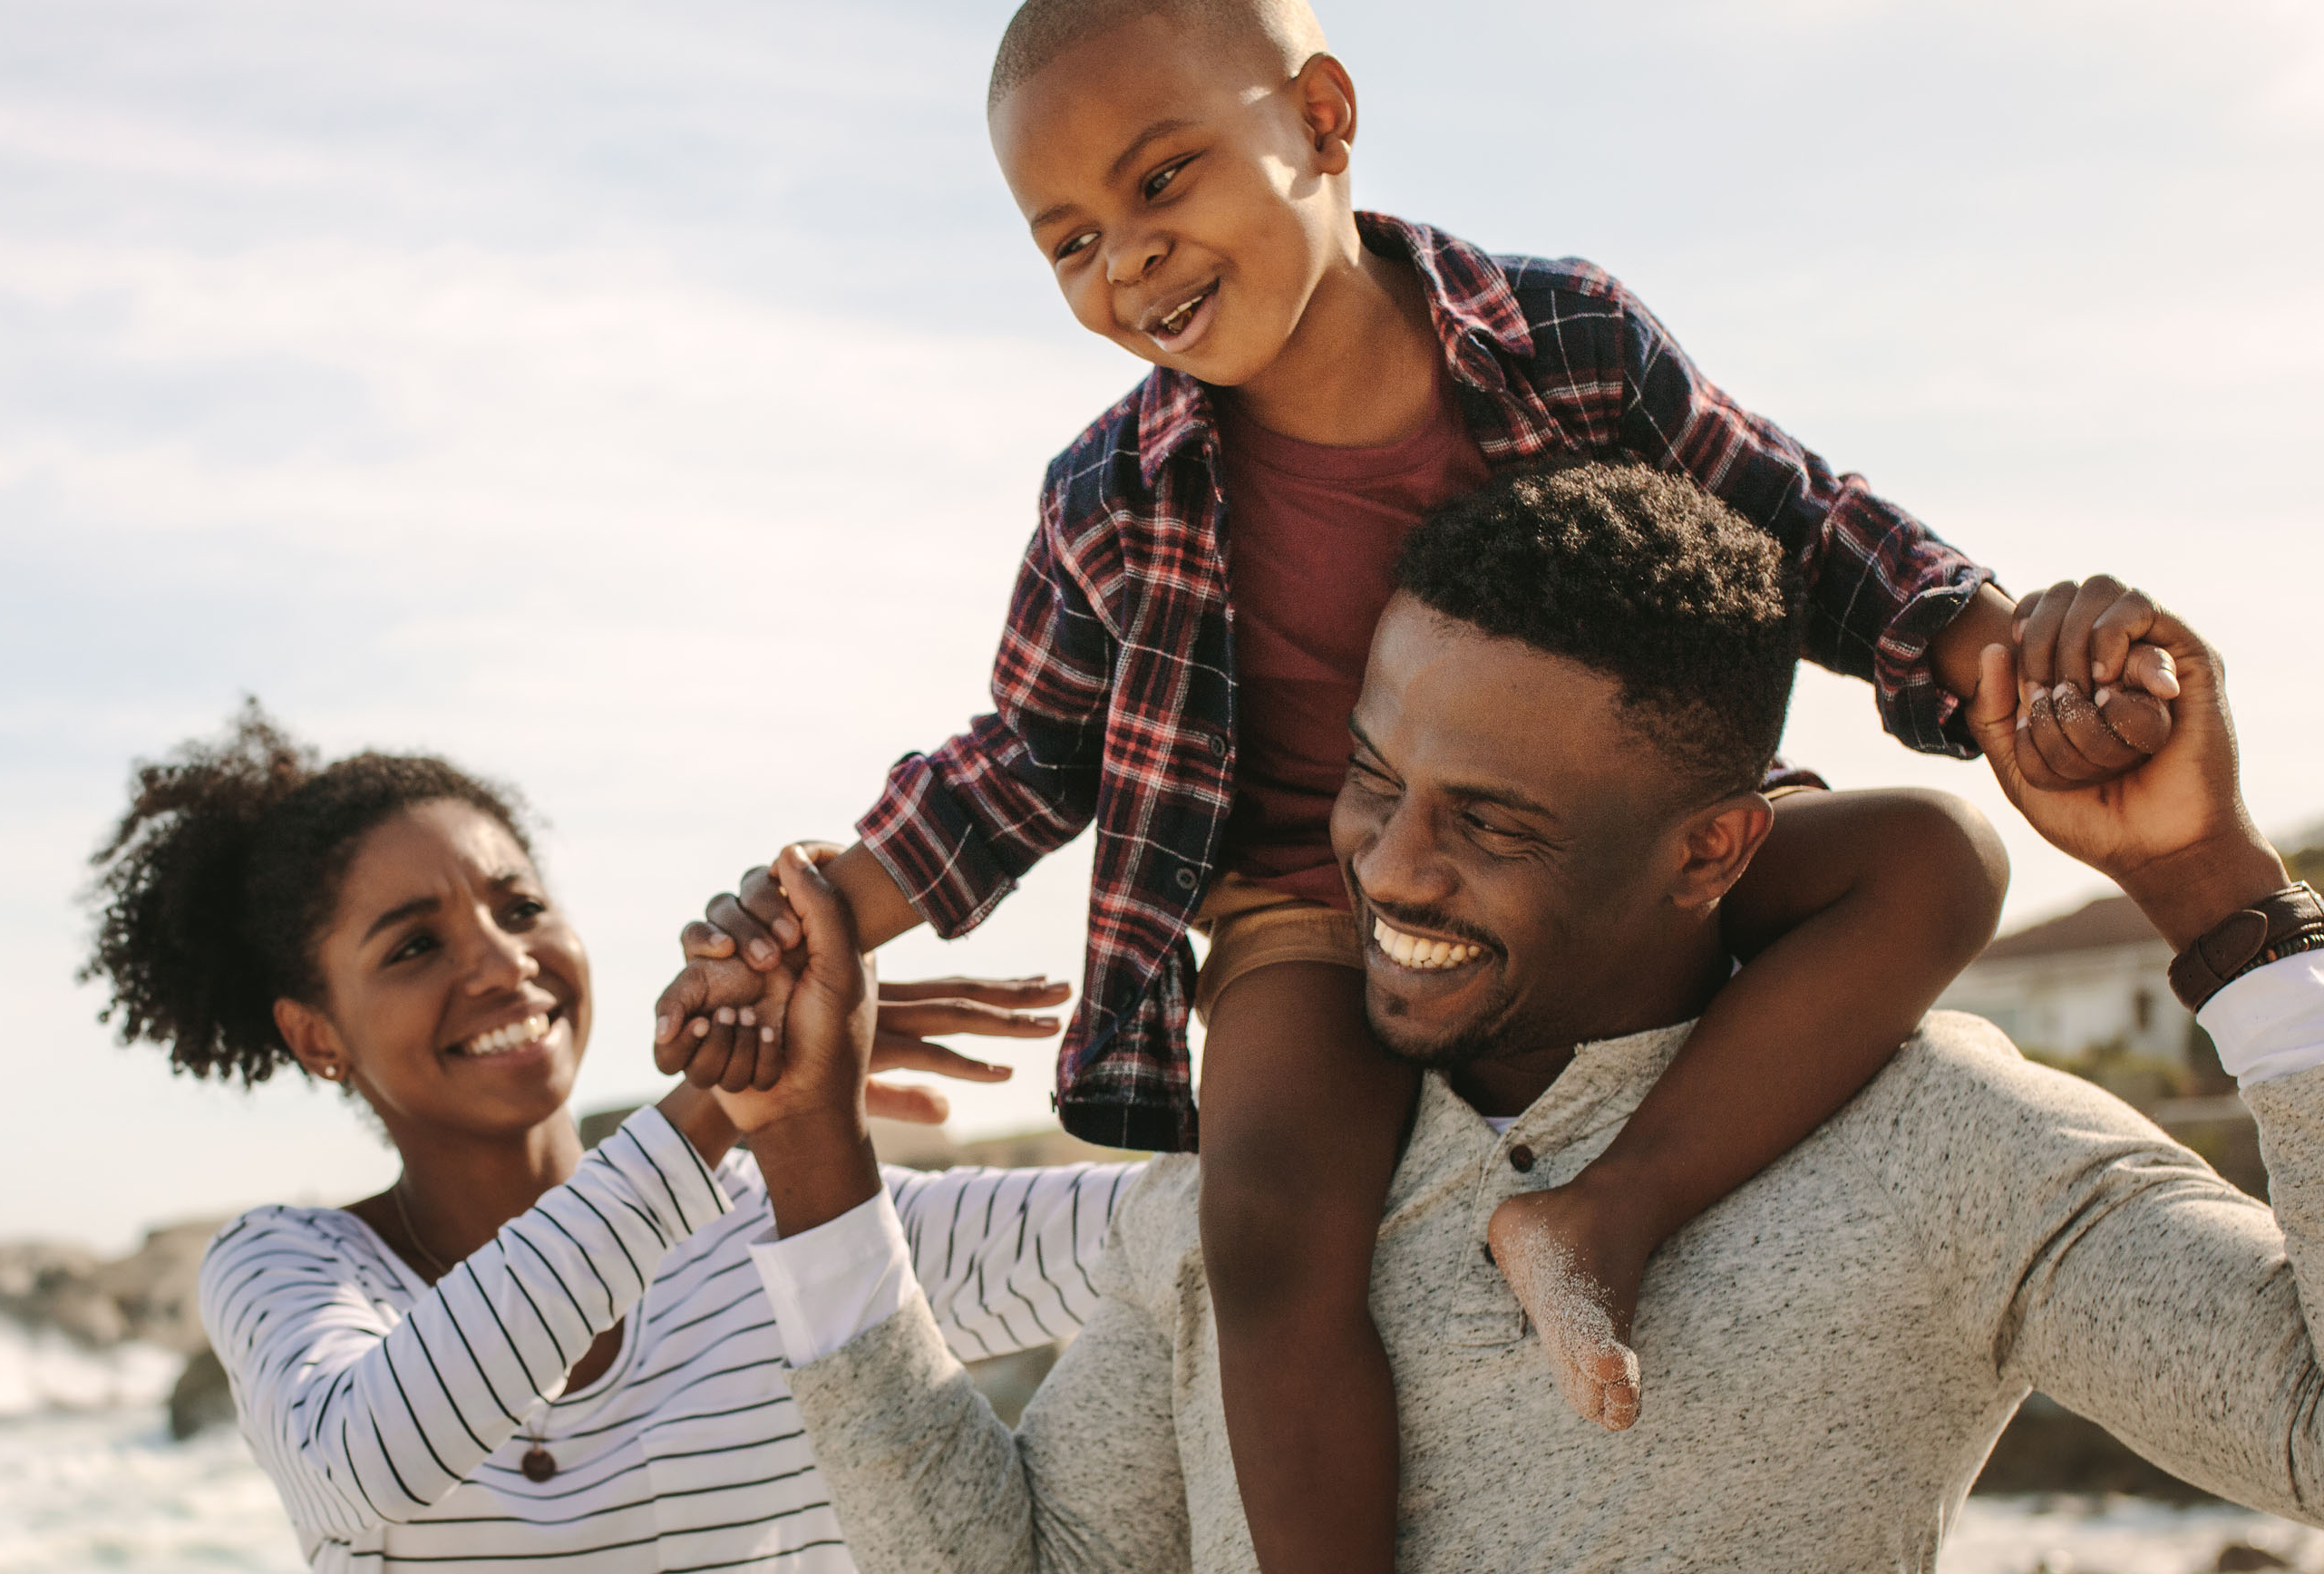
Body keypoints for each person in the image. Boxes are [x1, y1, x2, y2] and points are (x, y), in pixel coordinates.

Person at [649, 2, 2173, 1566]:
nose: (1131, 261)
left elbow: (1798, 521)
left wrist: (2003, 652)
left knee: (1935, 859)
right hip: (1311, 904)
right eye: (1070, 242)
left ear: (1321, 116)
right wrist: (813, 912)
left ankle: (1609, 1213)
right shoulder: (1110, 497)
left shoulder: (1566, 340)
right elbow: (1026, 756)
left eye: (1164, 179)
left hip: (1598, 853)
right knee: (1263, 1228)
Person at [732, 461, 2324, 1570]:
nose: (1390, 871)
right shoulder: (1268, 1181)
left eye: (1493, 824)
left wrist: (2213, 895)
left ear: (1713, 846)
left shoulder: (1945, 1146)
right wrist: (814, 1162)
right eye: (1371, 780)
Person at [76, 707, 1133, 1574]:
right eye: (413, 944)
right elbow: (362, 1459)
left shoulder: (805, 1225)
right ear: (316, 1034)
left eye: (520, 904)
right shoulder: (289, 1263)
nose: (503, 962)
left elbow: (1184, 1235)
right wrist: (736, 1085)